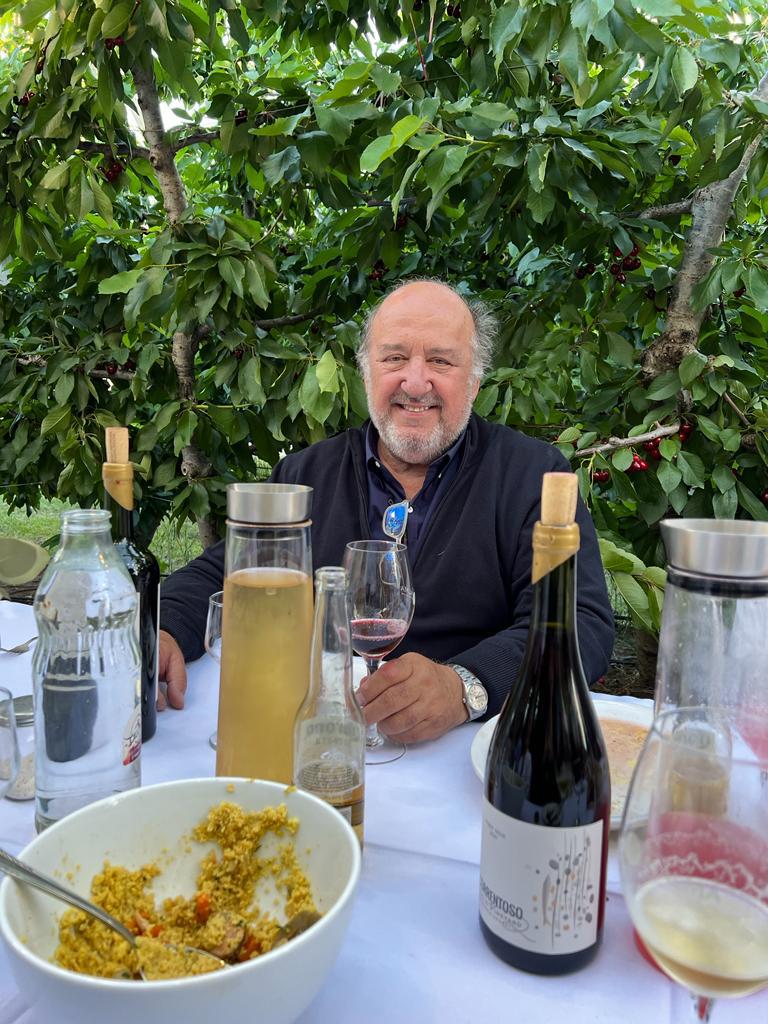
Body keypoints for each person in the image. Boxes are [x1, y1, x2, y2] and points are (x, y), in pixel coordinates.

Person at [158, 279, 614, 742]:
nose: (415, 383)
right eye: (394, 358)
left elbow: (581, 623)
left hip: (470, 752)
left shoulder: (533, 476)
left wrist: (465, 685)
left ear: (474, 382)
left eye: (441, 360)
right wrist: (166, 629)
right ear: (366, 374)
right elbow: (226, 574)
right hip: (321, 738)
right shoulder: (306, 474)